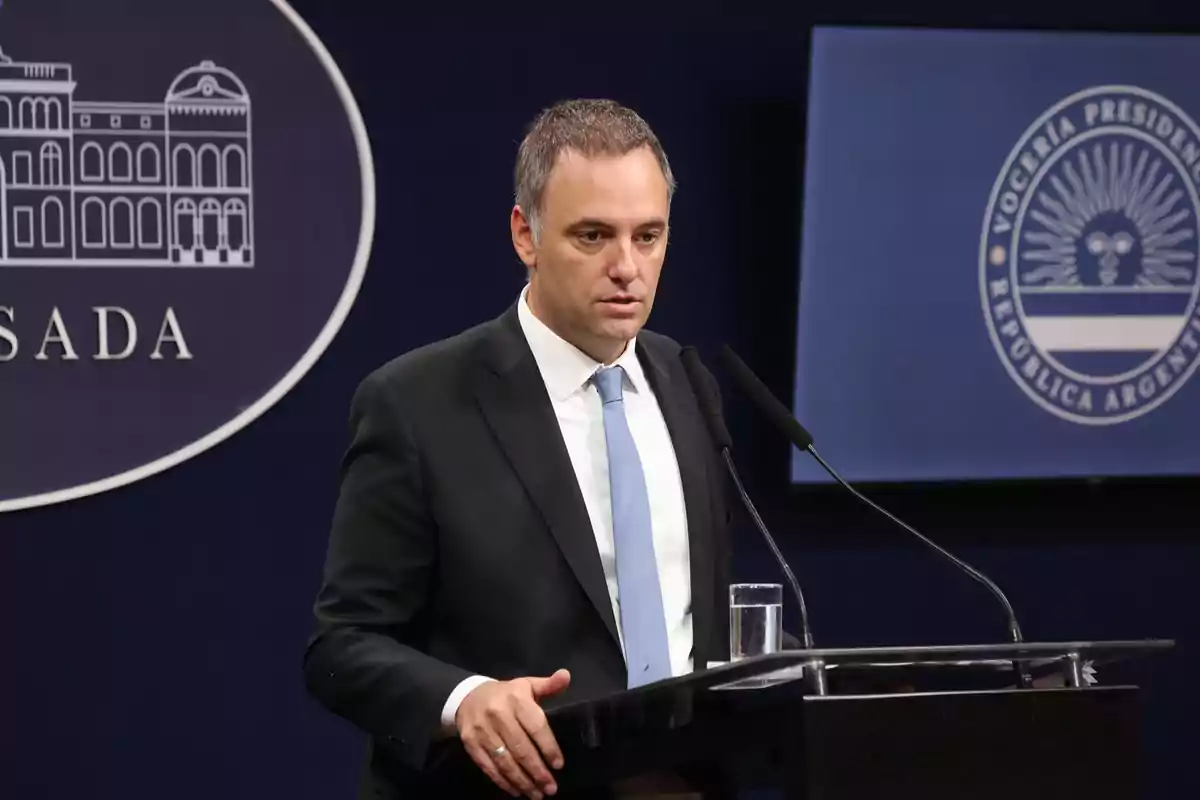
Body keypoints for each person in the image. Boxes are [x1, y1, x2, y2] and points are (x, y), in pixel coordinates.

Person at [303, 98, 733, 800]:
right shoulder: (418, 402)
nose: (628, 267)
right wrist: (464, 699)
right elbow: (341, 647)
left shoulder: (688, 382)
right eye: (593, 236)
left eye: (648, 236)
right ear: (524, 235)